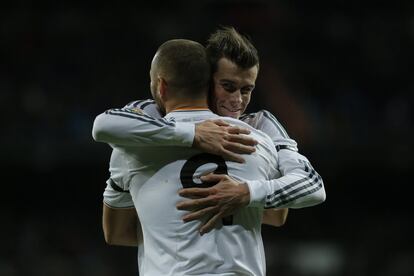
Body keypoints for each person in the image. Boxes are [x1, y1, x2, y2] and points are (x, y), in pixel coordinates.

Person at [93, 26, 325, 236]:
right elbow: (103, 125)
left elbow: (305, 192)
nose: (237, 101)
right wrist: (193, 133)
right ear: (206, 79)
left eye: (246, 90)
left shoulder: (260, 125)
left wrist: (247, 191)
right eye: (228, 86)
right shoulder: (155, 111)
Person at [95, 38, 283, 275]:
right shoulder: (257, 140)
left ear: (161, 86)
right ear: (209, 85)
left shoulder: (131, 147)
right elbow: (277, 216)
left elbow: (116, 233)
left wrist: (171, 230)